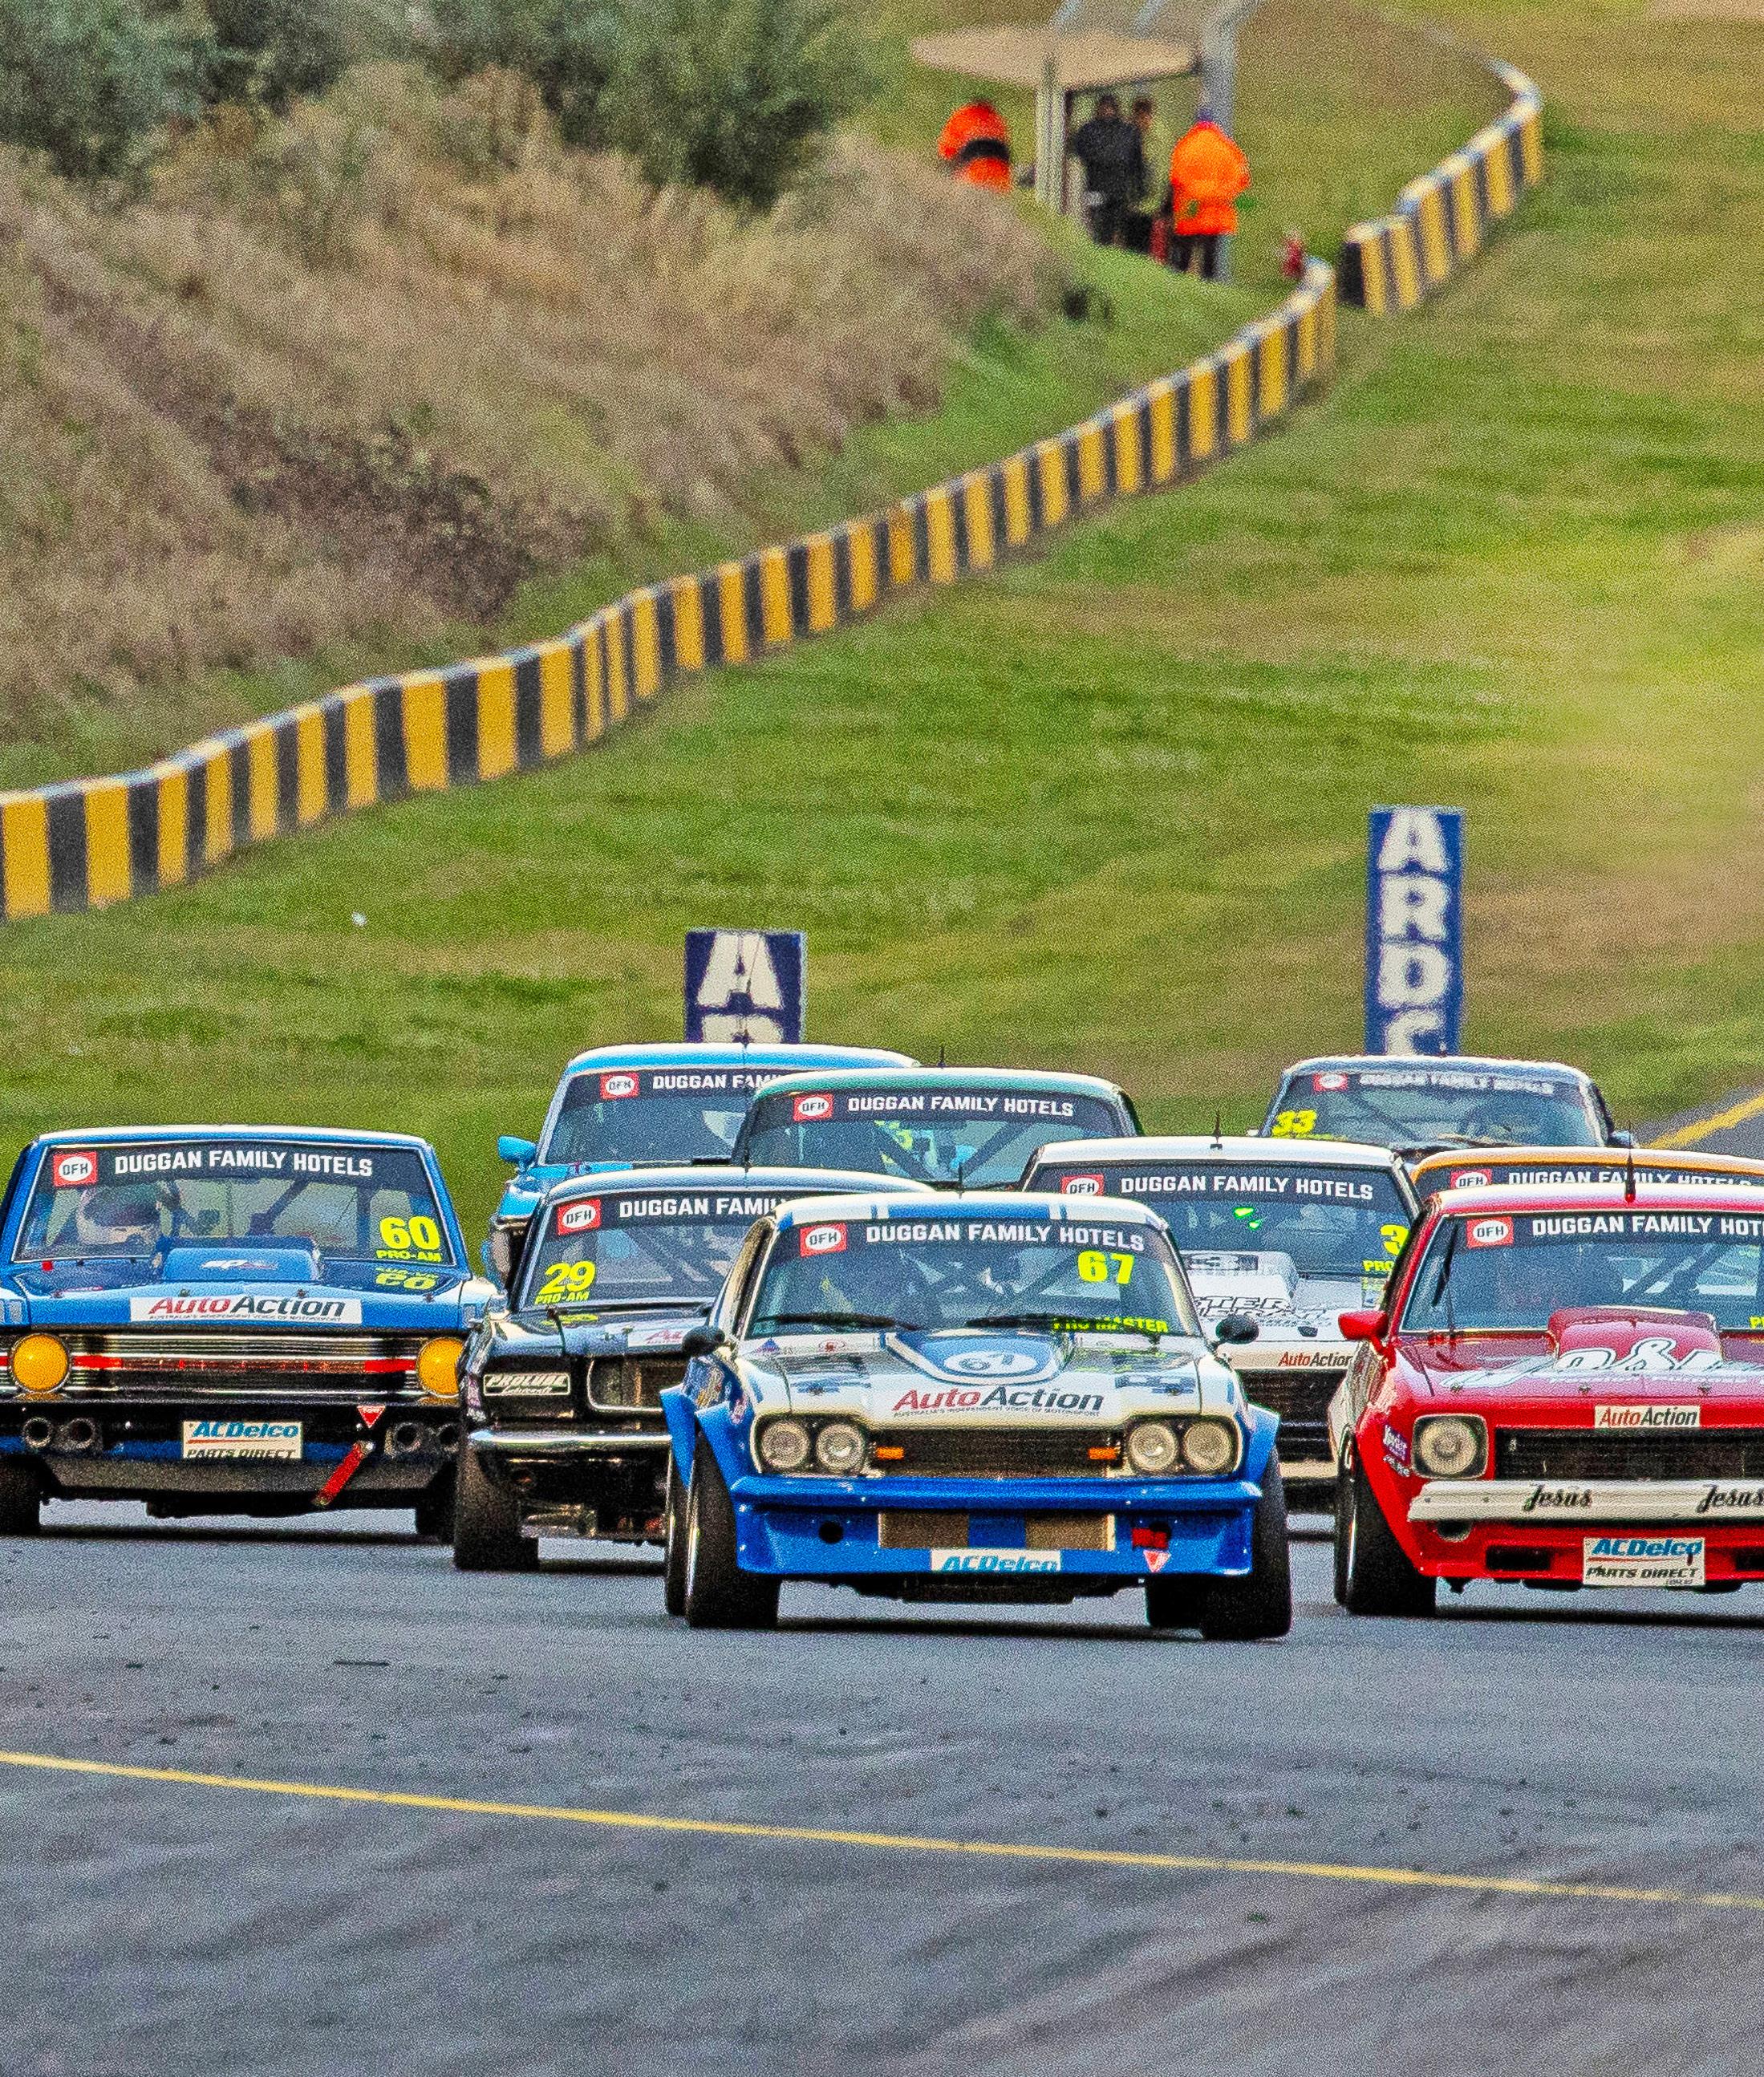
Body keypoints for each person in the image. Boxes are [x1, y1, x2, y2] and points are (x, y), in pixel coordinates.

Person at [1167, 102, 1251, 279]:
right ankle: (1209, 284)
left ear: (1196, 123)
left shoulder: (1185, 146)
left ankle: (1178, 284)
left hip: (1191, 207)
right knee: (1210, 256)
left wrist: (1195, 192)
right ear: (1213, 123)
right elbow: (1241, 179)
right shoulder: (1227, 148)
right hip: (1216, 210)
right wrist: (1219, 193)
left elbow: (1176, 177)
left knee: (1184, 254)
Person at [1069, 92, 1146, 248]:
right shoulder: (1128, 131)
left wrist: (1138, 188)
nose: (1107, 111)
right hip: (1114, 189)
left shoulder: (1088, 129)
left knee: (1099, 226)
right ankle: (1106, 246)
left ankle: (1101, 247)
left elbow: (1136, 163)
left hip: (1099, 187)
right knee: (1108, 227)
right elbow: (1137, 163)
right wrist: (1139, 189)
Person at [938, 99, 1013, 193]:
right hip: (1001, 176)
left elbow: (946, 152)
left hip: (973, 172)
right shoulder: (996, 120)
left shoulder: (961, 117)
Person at [1125, 96, 1169, 254]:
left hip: (1151, 203)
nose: (1139, 122)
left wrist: (1161, 202)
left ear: (1148, 115)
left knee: (1143, 249)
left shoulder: (1159, 136)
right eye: (1136, 118)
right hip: (1135, 200)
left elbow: (1160, 173)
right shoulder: (1135, 134)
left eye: (1141, 117)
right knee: (1132, 247)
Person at [72, 1183, 162, 1255]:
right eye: (121, 1230)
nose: (136, 1240)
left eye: (144, 1229)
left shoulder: (166, 1253)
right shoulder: (73, 1257)